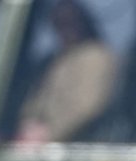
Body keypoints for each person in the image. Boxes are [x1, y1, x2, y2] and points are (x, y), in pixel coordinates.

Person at [15, 0, 117, 143]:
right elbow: (36, 102)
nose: (66, 29)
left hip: (73, 146)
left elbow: (86, 107)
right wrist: (26, 128)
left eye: (71, 22)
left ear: (83, 22)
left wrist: (46, 136)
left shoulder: (96, 57)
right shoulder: (54, 59)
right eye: (60, 23)